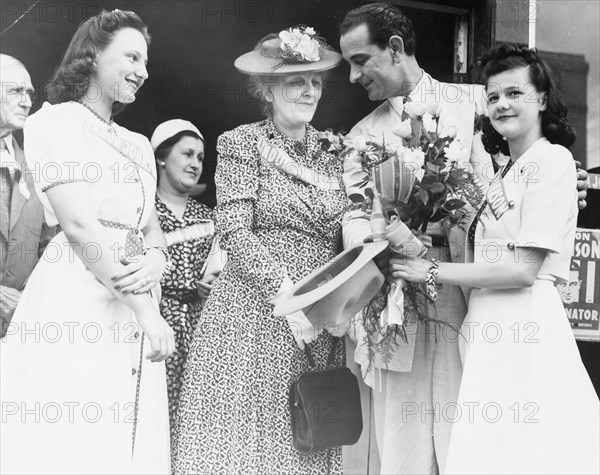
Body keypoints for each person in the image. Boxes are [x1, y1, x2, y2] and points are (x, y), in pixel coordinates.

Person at [338, 4, 589, 474]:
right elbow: (354, 218)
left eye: (359, 60)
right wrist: (380, 243)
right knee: (405, 450)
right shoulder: (360, 137)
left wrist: (568, 179)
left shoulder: (481, 101)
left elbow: (525, 169)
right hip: (401, 306)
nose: (352, 77)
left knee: (475, 446)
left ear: (394, 49)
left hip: (475, 299)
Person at [391, 44, 600, 475]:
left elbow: (523, 270)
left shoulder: (554, 160)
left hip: (525, 326)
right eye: (492, 96)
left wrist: (429, 270)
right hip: (489, 329)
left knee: (532, 454)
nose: (502, 103)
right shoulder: (505, 171)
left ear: (541, 99)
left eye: (515, 93)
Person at [0, 10, 174, 475]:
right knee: (75, 425)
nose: (143, 70)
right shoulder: (52, 125)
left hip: (135, 291)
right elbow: (79, 227)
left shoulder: (138, 143)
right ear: (93, 55)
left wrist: (157, 258)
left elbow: (150, 225)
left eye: (145, 60)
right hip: (78, 294)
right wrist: (146, 311)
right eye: (132, 56)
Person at [174, 27, 348, 474]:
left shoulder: (336, 152)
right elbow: (233, 229)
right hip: (255, 313)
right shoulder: (240, 142)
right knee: (249, 446)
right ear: (267, 89)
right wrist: (288, 294)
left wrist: (339, 298)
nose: (308, 90)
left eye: (315, 81)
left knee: (306, 436)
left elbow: (347, 234)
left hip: (319, 318)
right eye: (295, 80)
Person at [150, 119, 220, 457]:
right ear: (162, 158)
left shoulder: (209, 217)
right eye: (187, 154)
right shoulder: (144, 214)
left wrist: (215, 284)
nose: (195, 163)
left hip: (202, 331)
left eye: (201, 157)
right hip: (156, 330)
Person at [0, 55, 54, 337]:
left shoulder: (36, 166)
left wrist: (32, 297)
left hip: (17, 332)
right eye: (15, 91)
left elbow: (50, 248)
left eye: (30, 93)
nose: (26, 101)